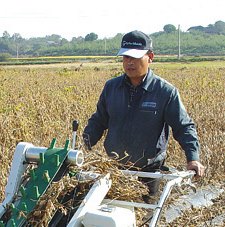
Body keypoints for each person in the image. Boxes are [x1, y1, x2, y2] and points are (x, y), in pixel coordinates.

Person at [82, 30, 205, 200]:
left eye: (135, 57)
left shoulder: (164, 92)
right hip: (115, 169)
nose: (129, 62)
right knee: (110, 219)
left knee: (144, 219)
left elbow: (183, 126)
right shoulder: (111, 88)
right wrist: (81, 148)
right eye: (126, 57)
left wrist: (193, 158)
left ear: (150, 57)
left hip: (149, 172)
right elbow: (98, 121)